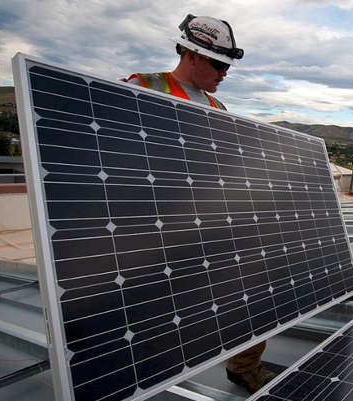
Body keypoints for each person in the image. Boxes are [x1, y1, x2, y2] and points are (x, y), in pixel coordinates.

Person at [124, 15, 275, 393]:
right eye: (218, 63)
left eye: (227, 65)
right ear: (191, 54)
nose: (225, 73)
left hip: (203, 221)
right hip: (153, 227)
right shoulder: (141, 87)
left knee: (257, 281)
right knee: (154, 314)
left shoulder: (217, 108)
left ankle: (244, 366)